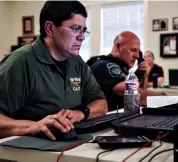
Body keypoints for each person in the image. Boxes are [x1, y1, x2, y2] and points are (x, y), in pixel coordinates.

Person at [0, 1, 108, 140]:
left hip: (66, 144)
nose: (81, 37)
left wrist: (81, 113)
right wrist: (34, 126)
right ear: (50, 29)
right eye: (75, 29)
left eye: (83, 30)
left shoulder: (77, 62)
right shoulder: (20, 62)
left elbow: (101, 104)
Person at [88, 31, 162, 111]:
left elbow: (139, 93)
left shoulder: (122, 68)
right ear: (117, 47)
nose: (137, 56)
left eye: (138, 52)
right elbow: (135, 96)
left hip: (120, 118)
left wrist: (145, 75)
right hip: (107, 120)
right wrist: (168, 98)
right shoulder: (107, 66)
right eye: (133, 50)